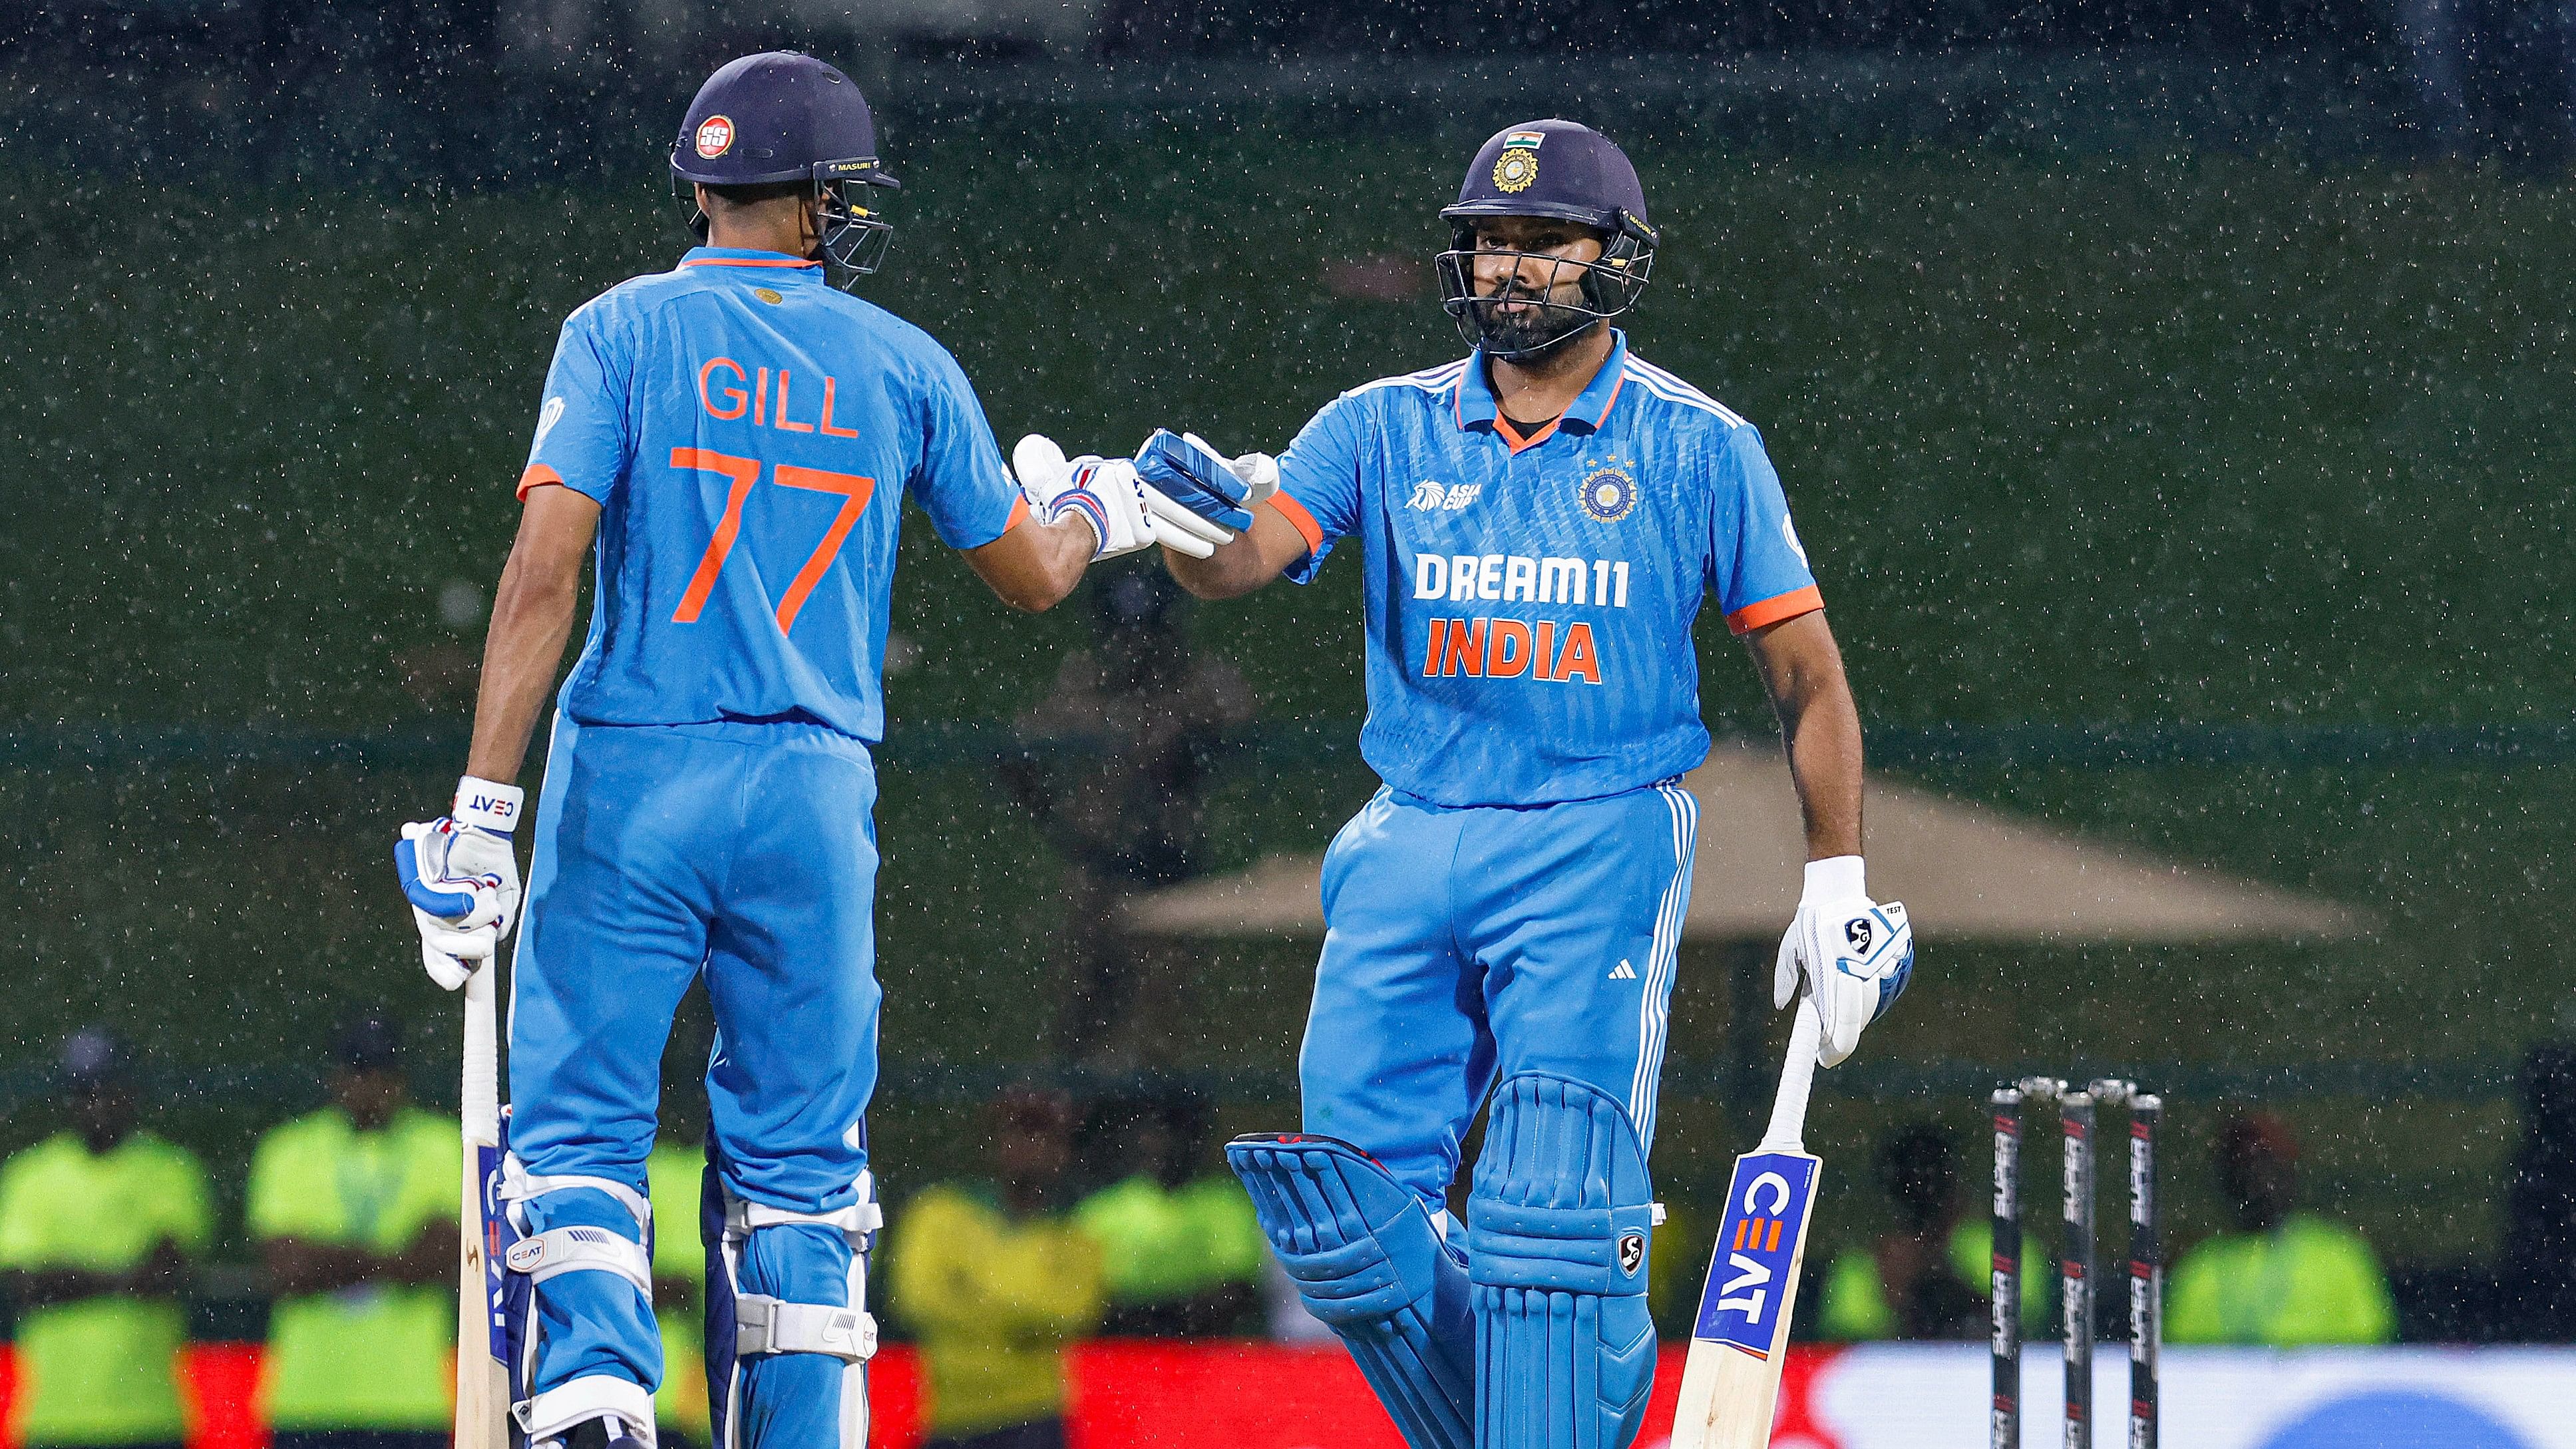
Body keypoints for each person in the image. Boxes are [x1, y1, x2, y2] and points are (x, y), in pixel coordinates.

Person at [387, 50, 1189, 1449]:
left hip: (634, 761)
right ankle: (801, 1416)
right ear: (816, 197)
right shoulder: (901, 362)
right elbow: (1033, 575)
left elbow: (541, 569)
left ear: (700, 186)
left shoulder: (620, 332)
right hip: (814, 786)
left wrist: (477, 811)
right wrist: (1098, 505)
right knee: (801, 1166)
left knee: (581, 1126)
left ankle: (594, 1394)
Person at [1140, 119, 1913, 1449]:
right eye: (1487, 241)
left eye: (1541, 243)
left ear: (1614, 260)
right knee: (1344, 1225)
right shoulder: (1375, 427)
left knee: (1552, 1212)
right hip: (1409, 835)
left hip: (1596, 837)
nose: (1506, 267)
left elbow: (1811, 681)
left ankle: (1556, 1386)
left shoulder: (1698, 445)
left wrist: (1836, 880)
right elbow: (1249, 556)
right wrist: (1193, 533)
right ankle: (1548, 1418)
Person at [998, 566, 1255, 1066]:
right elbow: (1014, 752)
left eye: (1147, 631)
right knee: (1078, 1023)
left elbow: (1242, 719)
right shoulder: (1083, 684)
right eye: (1122, 633)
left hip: (1170, 876)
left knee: (1162, 1040)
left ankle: (1160, 1133)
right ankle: (1089, 1128)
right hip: (1097, 872)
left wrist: (1183, 748)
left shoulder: (1197, 684)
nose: (1134, 646)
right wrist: (1061, 822)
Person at [247, 1016, 460, 1449]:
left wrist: (334, 1257)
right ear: (336, 1077)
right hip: (307, 1400)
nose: (371, 1084)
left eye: (383, 1071)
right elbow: (288, 1269)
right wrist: (394, 1260)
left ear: (401, 1078)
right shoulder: (289, 1148)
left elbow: (446, 1257)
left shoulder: (442, 1141)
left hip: (411, 1400)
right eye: (360, 1070)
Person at [0, 1030, 211, 1449]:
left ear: (131, 1094)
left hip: (149, 1416)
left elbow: (163, 1275)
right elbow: (26, 1286)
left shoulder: (171, 1169)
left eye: (108, 1091)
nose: (98, 1104)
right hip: (55, 1419)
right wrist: (123, 1278)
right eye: (86, 1092)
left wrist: (72, 1277)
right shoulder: (31, 1176)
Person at [886, 1090, 1104, 1449]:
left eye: (1044, 1135)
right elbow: (914, 1300)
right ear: (994, 1139)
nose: (1030, 1147)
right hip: (948, 1419)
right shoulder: (937, 1213)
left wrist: (970, 1289)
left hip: (1036, 1420)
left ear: (1063, 1151)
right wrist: (1021, 1314)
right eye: (1018, 1131)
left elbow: (1071, 1316)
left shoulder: (1077, 1236)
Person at [2167, 1112, 2397, 1346]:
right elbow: (2185, 1364)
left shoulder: (2341, 1256)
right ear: (2224, 1179)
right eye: (2241, 1167)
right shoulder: (2197, 1270)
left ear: (2289, 1172)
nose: (2255, 1179)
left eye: (2266, 1163)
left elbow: (2370, 1354)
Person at [1069, 1086, 1266, 1335]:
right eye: (1151, 1131)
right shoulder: (1102, 1211)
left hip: (1204, 1357)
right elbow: (1083, 1300)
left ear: (1195, 1137)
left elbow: (1235, 1294)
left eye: (1171, 1131)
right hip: (1121, 1358)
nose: (1158, 1143)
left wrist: (1148, 1315)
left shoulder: (1227, 1204)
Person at [1815, 1123, 2038, 1341]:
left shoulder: (2001, 1247)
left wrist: (1942, 1281)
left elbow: (2026, 1337)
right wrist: (1897, 1295)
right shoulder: (1857, 1269)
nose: (1926, 1203)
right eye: (1911, 1190)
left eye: (1935, 1187)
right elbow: (1847, 1358)